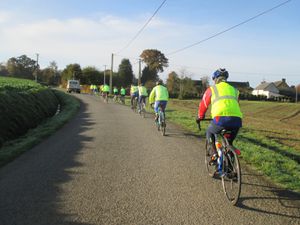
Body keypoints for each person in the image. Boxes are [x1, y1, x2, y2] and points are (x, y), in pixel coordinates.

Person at [196, 68, 243, 162]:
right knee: (229, 143)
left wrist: (200, 116)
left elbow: (203, 104)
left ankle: (214, 154)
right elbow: (236, 104)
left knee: (209, 131)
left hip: (220, 119)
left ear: (215, 79)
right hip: (237, 120)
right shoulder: (235, 90)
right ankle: (231, 165)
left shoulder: (212, 89)